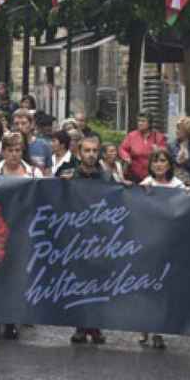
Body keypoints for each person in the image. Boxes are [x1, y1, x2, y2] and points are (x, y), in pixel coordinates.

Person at [0, 132, 42, 340]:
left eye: (18, 150)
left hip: (23, 232)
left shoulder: (33, 173)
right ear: (4, 151)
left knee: (17, 277)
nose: (14, 154)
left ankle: (11, 319)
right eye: (10, 150)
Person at [137, 150, 187, 350]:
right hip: (148, 245)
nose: (159, 165)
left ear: (169, 164)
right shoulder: (145, 185)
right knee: (147, 289)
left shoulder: (178, 186)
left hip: (169, 246)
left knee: (163, 289)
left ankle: (158, 331)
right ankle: (144, 326)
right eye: (155, 161)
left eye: (163, 161)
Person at [65, 136, 111, 344]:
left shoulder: (108, 178)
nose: (91, 154)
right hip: (77, 238)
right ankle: (81, 326)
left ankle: (96, 326)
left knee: (99, 283)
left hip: (101, 238)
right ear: (79, 153)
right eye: (87, 150)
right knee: (79, 282)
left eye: (94, 151)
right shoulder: (69, 177)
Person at [119, 111, 167, 183]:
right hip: (134, 175)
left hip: (153, 175)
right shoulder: (131, 136)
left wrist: (158, 150)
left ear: (150, 123)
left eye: (143, 121)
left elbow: (165, 155)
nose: (140, 123)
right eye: (139, 121)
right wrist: (126, 157)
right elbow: (122, 148)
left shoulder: (158, 137)